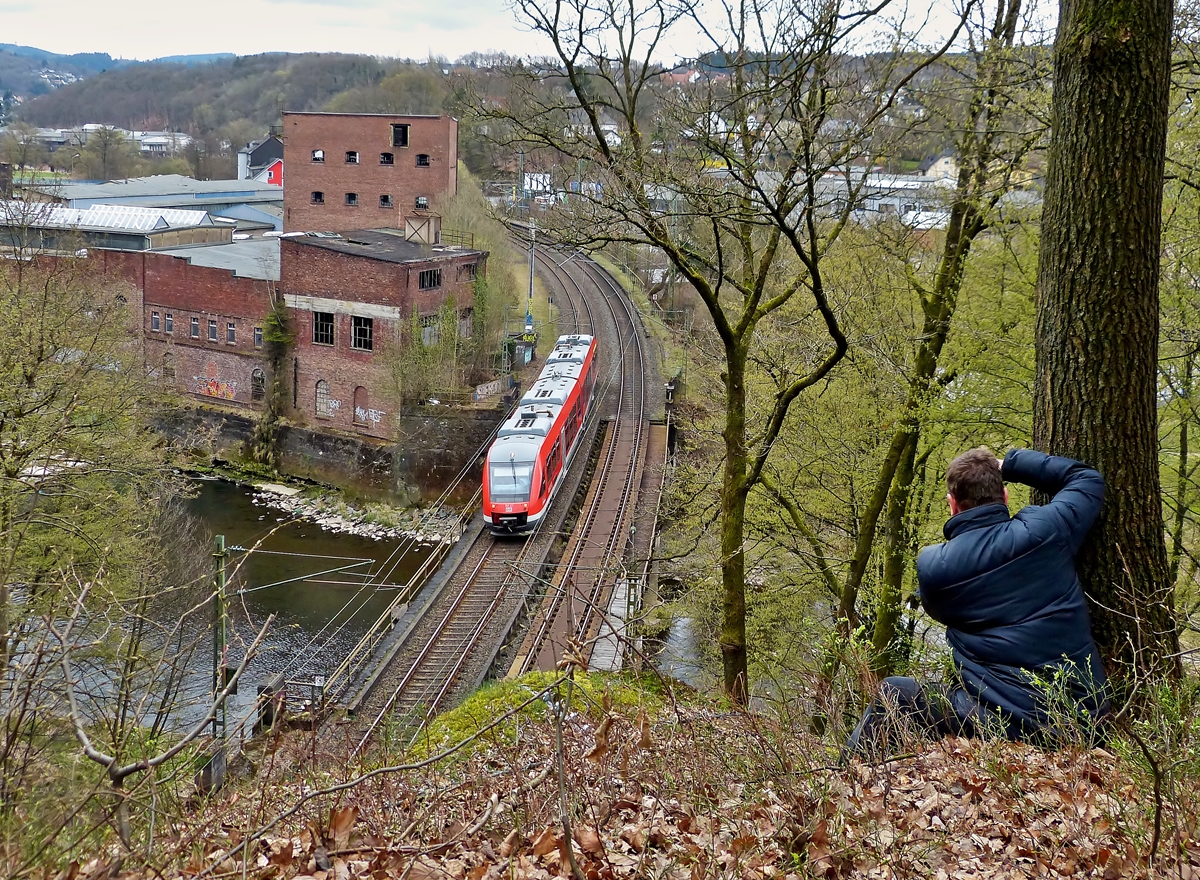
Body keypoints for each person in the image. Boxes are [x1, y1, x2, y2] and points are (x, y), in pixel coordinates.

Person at [845, 447, 1109, 756]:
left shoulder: (936, 567)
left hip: (997, 723)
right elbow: (1087, 479)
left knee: (895, 692)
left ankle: (841, 787)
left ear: (952, 504)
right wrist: (1008, 463)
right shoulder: (1048, 529)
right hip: (1082, 722)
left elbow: (941, 610)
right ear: (1006, 496)